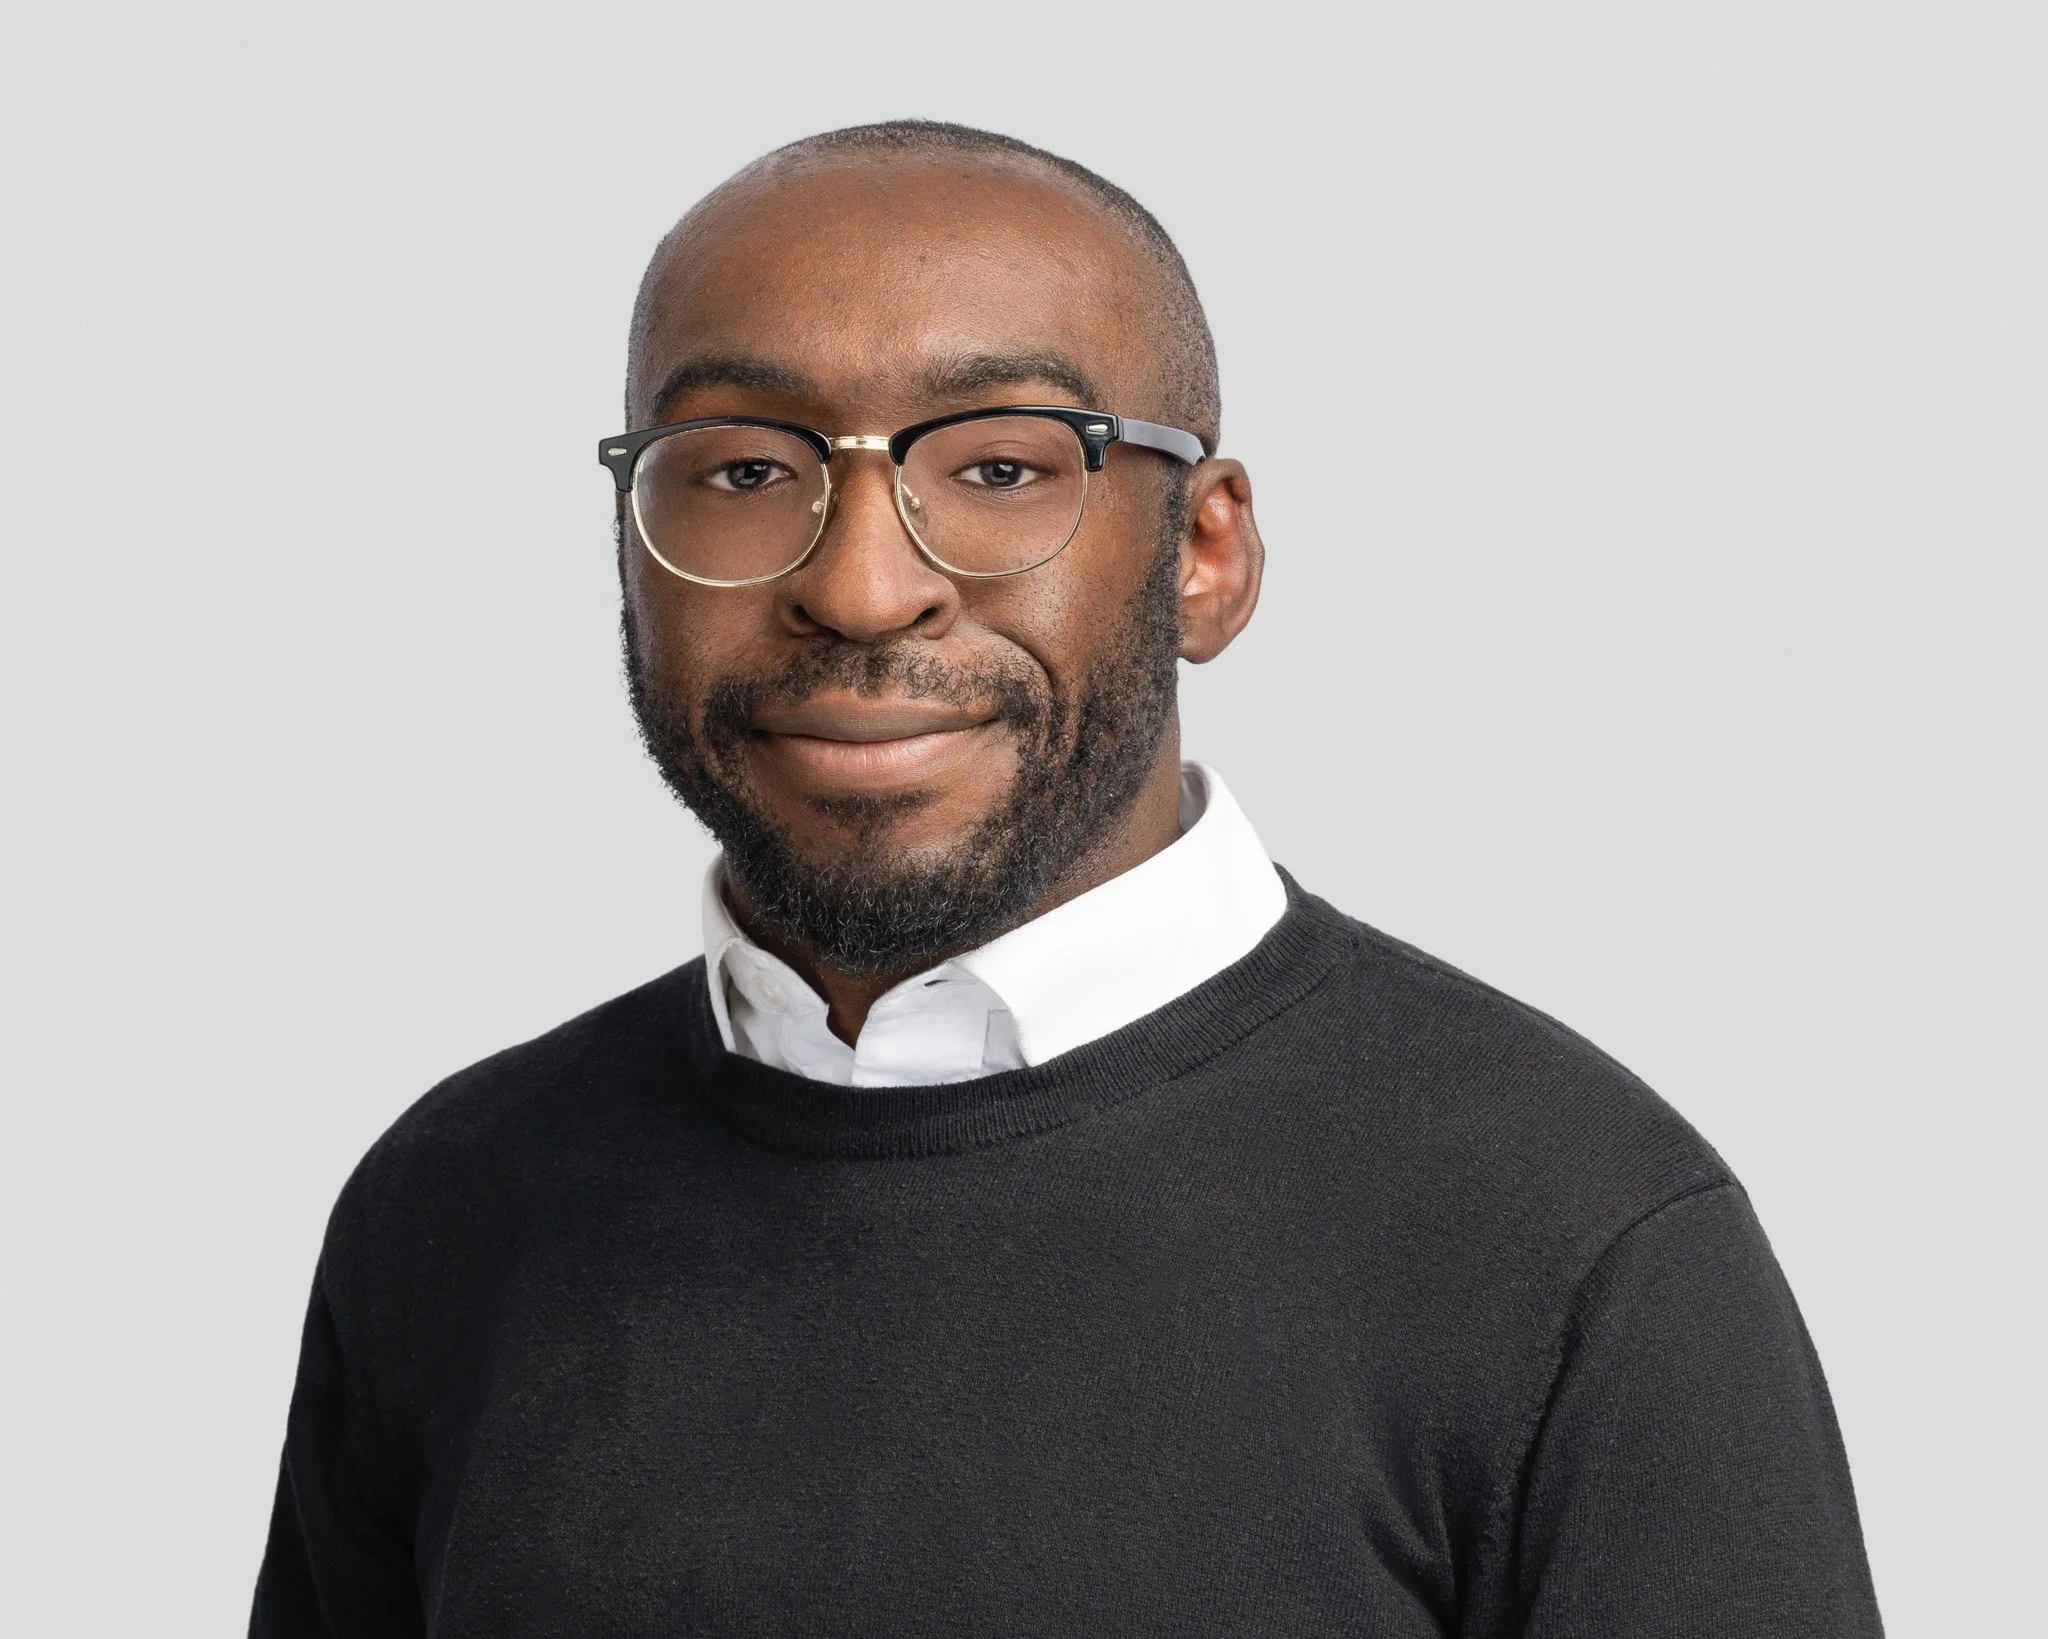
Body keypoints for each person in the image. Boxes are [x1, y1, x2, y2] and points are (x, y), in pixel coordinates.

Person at [250, 120, 1884, 1637]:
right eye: (745, 467)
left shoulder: (1573, 1241)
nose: (864, 586)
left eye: (1002, 467)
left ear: (1206, 556)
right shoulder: (450, 1207)